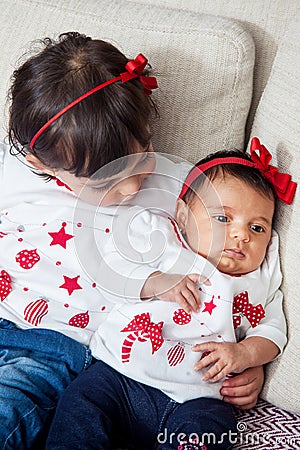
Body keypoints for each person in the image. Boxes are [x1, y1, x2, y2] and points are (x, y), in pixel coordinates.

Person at [0, 30, 266, 447]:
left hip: (52, 348)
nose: (129, 189)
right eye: (104, 181)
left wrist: (249, 355)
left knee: (9, 411)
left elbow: (240, 256)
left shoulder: (178, 184)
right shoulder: (13, 172)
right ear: (43, 164)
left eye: (140, 160)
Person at [46, 139, 296, 450]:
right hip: (120, 376)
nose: (241, 235)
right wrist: (155, 281)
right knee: (80, 403)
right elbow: (111, 269)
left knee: (213, 431)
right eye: (223, 218)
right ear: (183, 215)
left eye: (257, 228)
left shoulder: (262, 278)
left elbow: (273, 331)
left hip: (200, 398)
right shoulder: (162, 238)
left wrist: (247, 355)